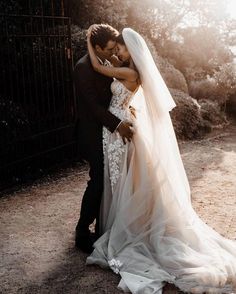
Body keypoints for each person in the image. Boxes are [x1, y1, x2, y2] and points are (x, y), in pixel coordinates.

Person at [85, 26, 236, 293]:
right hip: (119, 128)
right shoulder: (130, 71)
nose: (117, 52)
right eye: (115, 48)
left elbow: (99, 68)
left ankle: (125, 227)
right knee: (123, 180)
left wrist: (88, 40)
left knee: (124, 180)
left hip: (121, 130)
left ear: (130, 50)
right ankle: (118, 223)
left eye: (119, 48)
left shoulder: (130, 72)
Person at [73, 24, 134, 254]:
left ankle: (103, 227)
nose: (113, 53)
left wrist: (125, 111)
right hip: (91, 132)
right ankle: (81, 231)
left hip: (107, 132)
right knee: (98, 179)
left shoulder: (107, 62)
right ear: (96, 48)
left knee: (111, 179)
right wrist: (118, 124)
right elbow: (93, 107)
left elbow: (114, 95)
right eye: (109, 49)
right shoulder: (83, 68)